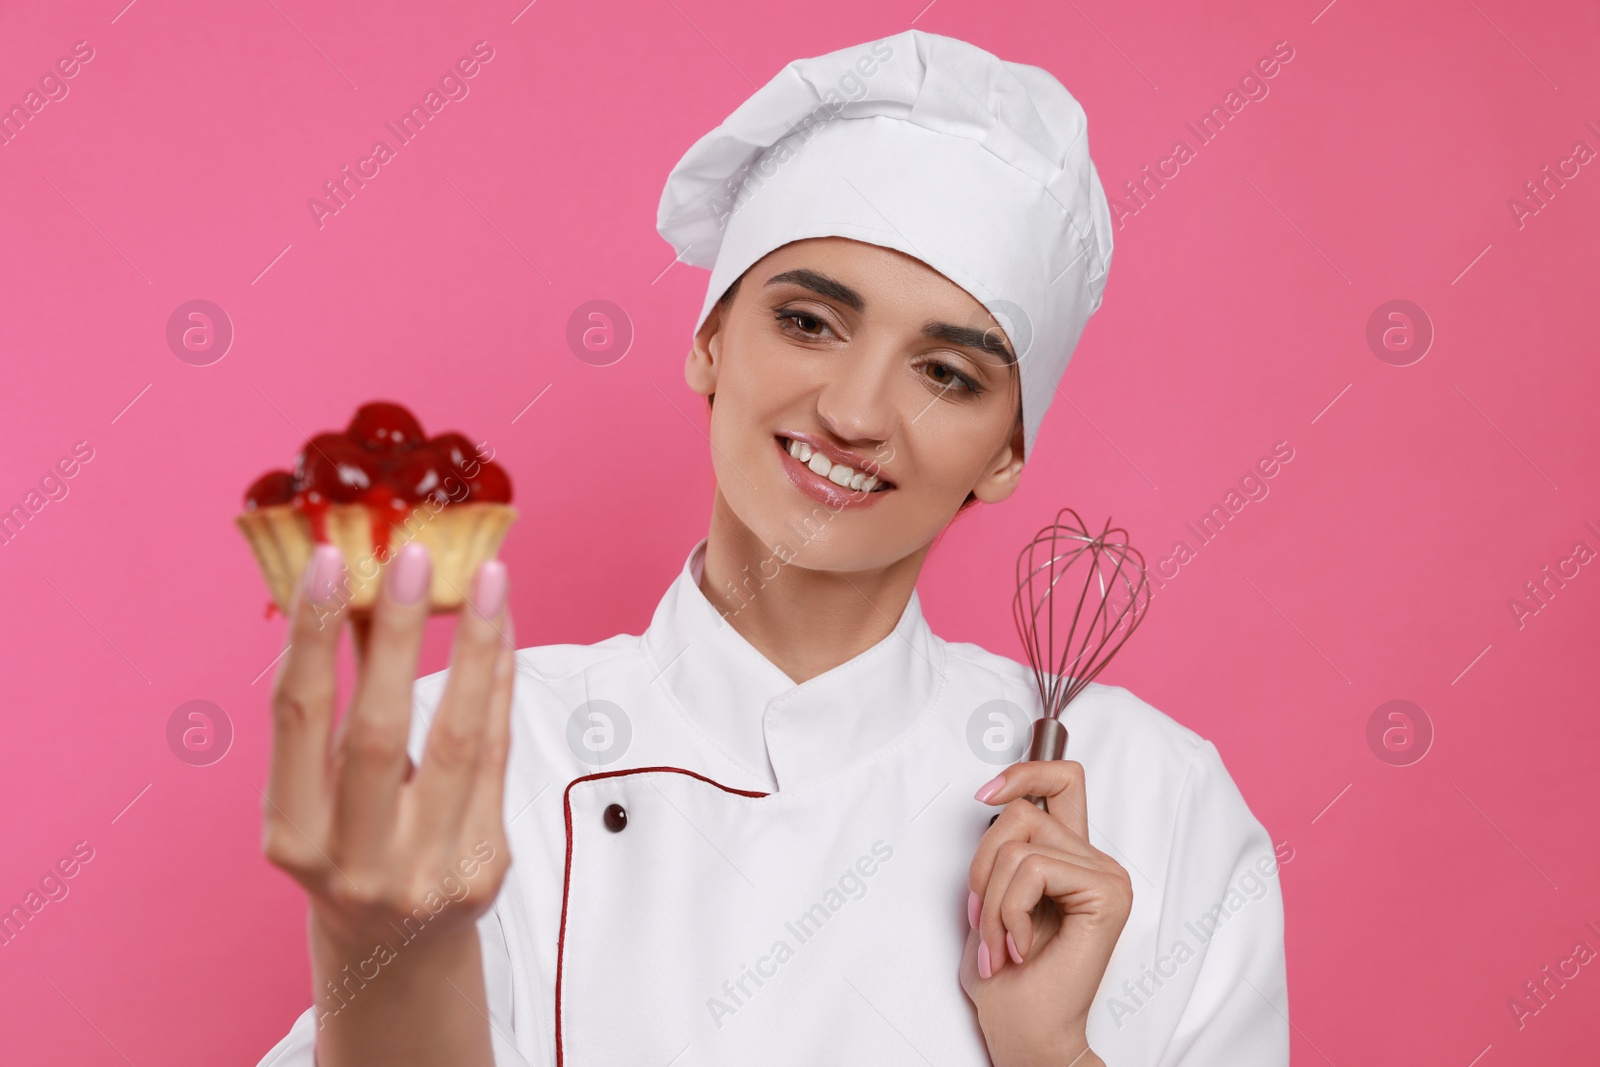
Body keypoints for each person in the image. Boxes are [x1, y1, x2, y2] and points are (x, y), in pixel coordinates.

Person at [256, 28, 1288, 1067]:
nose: (852, 410)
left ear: (1007, 452)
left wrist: (1046, 1046)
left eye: (947, 375)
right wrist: (385, 957)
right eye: (807, 321)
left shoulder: (1157, 795)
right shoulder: (479, 749)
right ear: (709, 337)